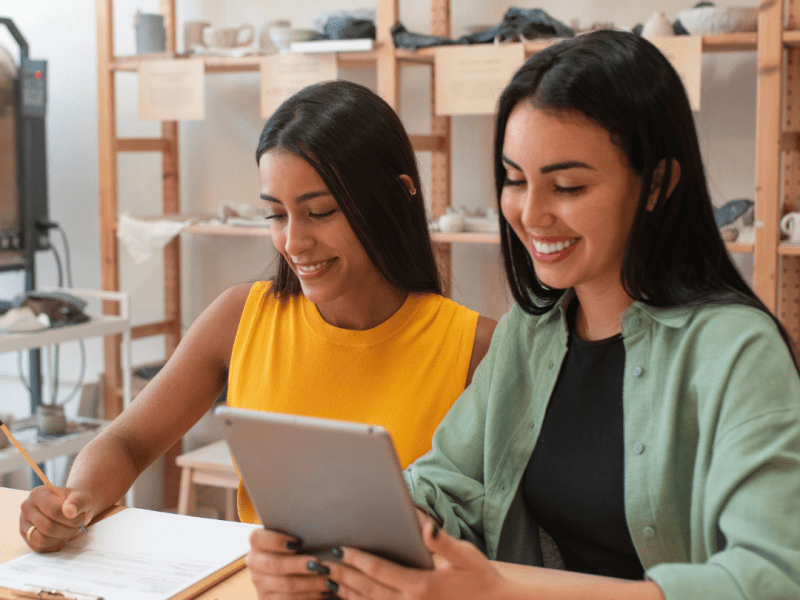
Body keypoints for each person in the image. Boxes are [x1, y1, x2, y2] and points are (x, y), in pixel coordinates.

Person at [245, 30, 800, 600]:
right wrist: (328, 544)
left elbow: (774, 578)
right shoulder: (530, 334)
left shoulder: (736, 350)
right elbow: (447, 484)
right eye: (514, 181)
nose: (531, 214)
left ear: (658, 182)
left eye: (567, 186)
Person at [19, 80, 496, 549]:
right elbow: (127, 442)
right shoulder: (240, 318)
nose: (294, 242)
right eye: (276, 214)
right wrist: (74, 503)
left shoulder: (477, 350)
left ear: (397, 195)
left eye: (321, 211)